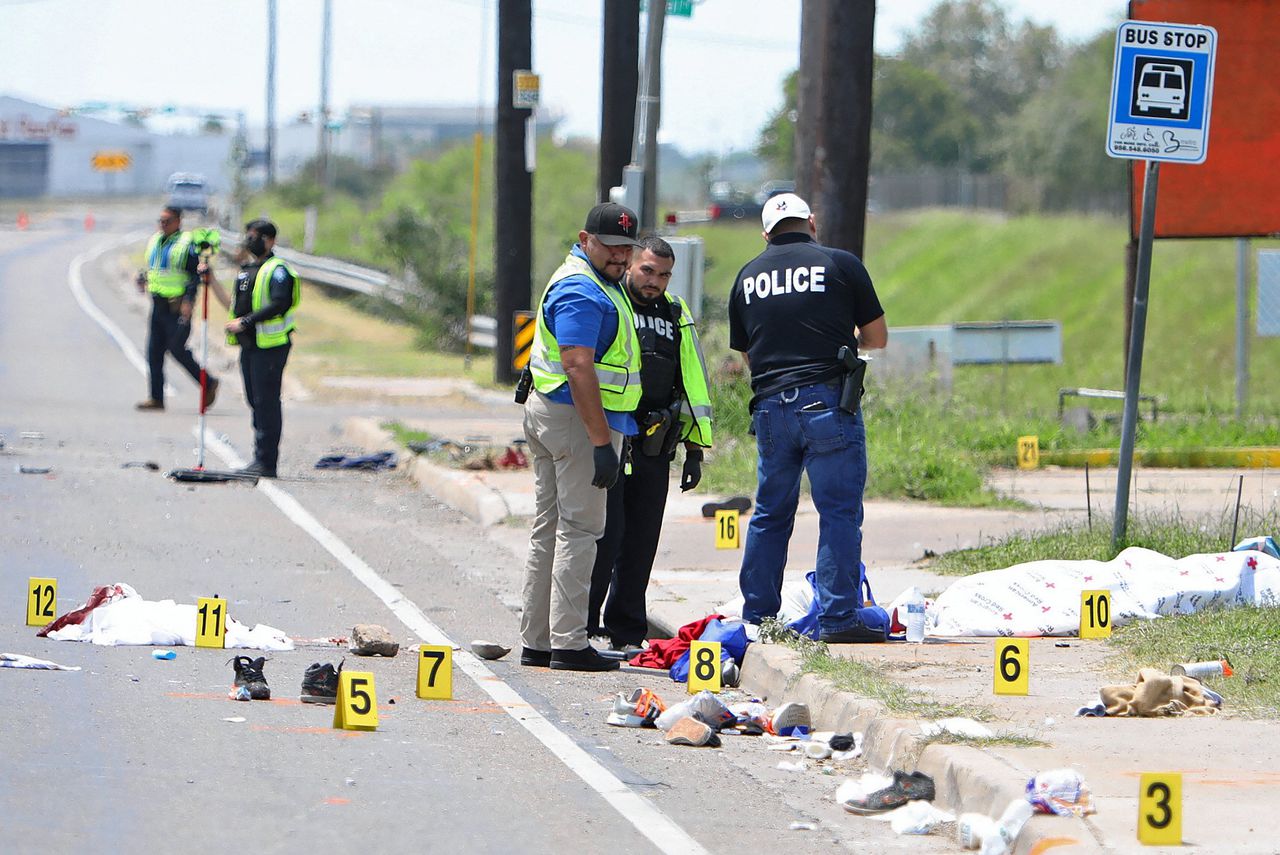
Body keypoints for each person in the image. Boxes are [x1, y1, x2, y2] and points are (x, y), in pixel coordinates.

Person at [727, 193, 888, 644]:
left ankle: (758, 617)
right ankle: (839, 617)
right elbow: (877, 337)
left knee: (770, 514)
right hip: (827, 402)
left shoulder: (746, 277)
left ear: (766, 234)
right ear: (811, 223)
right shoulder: (839, 264)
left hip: (771, 405)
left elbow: (748, 354)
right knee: (837, 511)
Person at [519, 203, 643, 673]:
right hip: (576, 420)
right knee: (581, 529)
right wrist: (599, 442)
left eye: (627, 249)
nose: (619, 257)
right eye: (611, 247)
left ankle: (539, 640)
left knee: (550, 528)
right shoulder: (582, 290)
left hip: (557, 415)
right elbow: (577, 365)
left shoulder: (592, 279)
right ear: (585, 238)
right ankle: (569, 643)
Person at [587, 235, 713, 650]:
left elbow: (692, 380)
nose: (654, 281)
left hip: (657, 443)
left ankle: (626, 632)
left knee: (641, 540)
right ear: (631, 264)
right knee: (605, 535)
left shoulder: (675, 313)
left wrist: (694, 450)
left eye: (663, 275)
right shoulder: (611, 302)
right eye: (647, 270)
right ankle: (583, 626)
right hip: (612, 433)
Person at [201, 219, 300, 479]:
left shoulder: (277, 270)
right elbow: (233, 306)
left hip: (271, 346)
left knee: (266, 403)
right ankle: (259, 458)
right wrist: (211, 282)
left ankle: (266, 462)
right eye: (249, 235)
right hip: (251, 346)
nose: (250, 240)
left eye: (255, 236)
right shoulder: (247, 271)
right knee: (255, 401)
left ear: (270, 240)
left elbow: (280, 303)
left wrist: (247, 322)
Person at [135, 206, 219, 411]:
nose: (163, 224)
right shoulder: (156, 240)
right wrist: (143, 278)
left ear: (178, 221)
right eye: (161, 220)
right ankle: (156, 397)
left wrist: (189, 301)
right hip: (158, 304)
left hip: (177, 306)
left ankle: (207, 382)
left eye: (167, 220)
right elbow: (156, 268)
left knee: (177, 348)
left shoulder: (186, 244)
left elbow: (193, 276)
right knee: (153, 352)